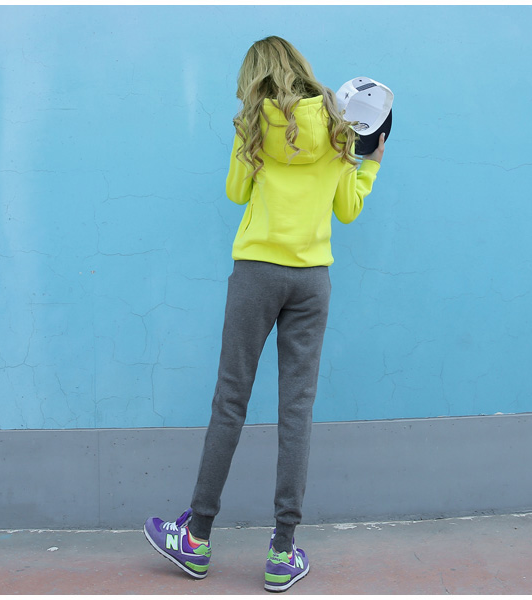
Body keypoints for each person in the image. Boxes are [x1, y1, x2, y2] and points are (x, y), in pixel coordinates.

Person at [143, 35, 385, 593]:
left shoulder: (251, 124)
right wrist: (369, 165)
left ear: (255, 77)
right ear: (299, 67)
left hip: (256, 274)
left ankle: (197, 538)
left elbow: (235, 193)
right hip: (312, 281)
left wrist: (249, 145)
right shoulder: (338, 125)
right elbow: (347, 209)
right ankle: (282, 550)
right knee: (296, 411)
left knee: (230, 400)